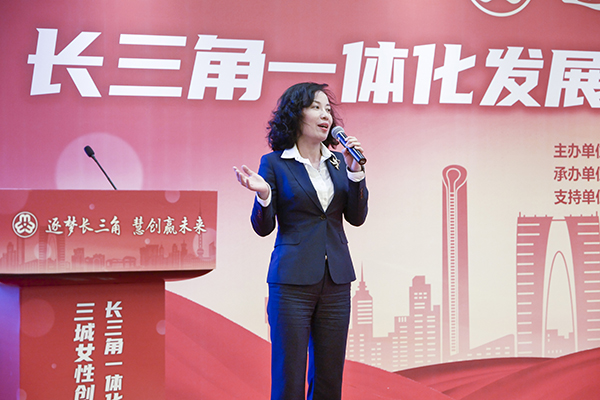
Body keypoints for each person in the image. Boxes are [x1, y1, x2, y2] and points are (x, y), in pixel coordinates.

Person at [233, 82, 368, 400]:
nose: (325, 115)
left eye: (328, 109)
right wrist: (264, 196)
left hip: (336, 282)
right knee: (289, 376)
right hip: (292, 284)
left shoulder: (340, 163)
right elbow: (263, 228)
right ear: (296, 115)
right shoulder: (275, 163)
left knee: (329, 378)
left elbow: (356, 217)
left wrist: (356, 174)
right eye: (316, 107)